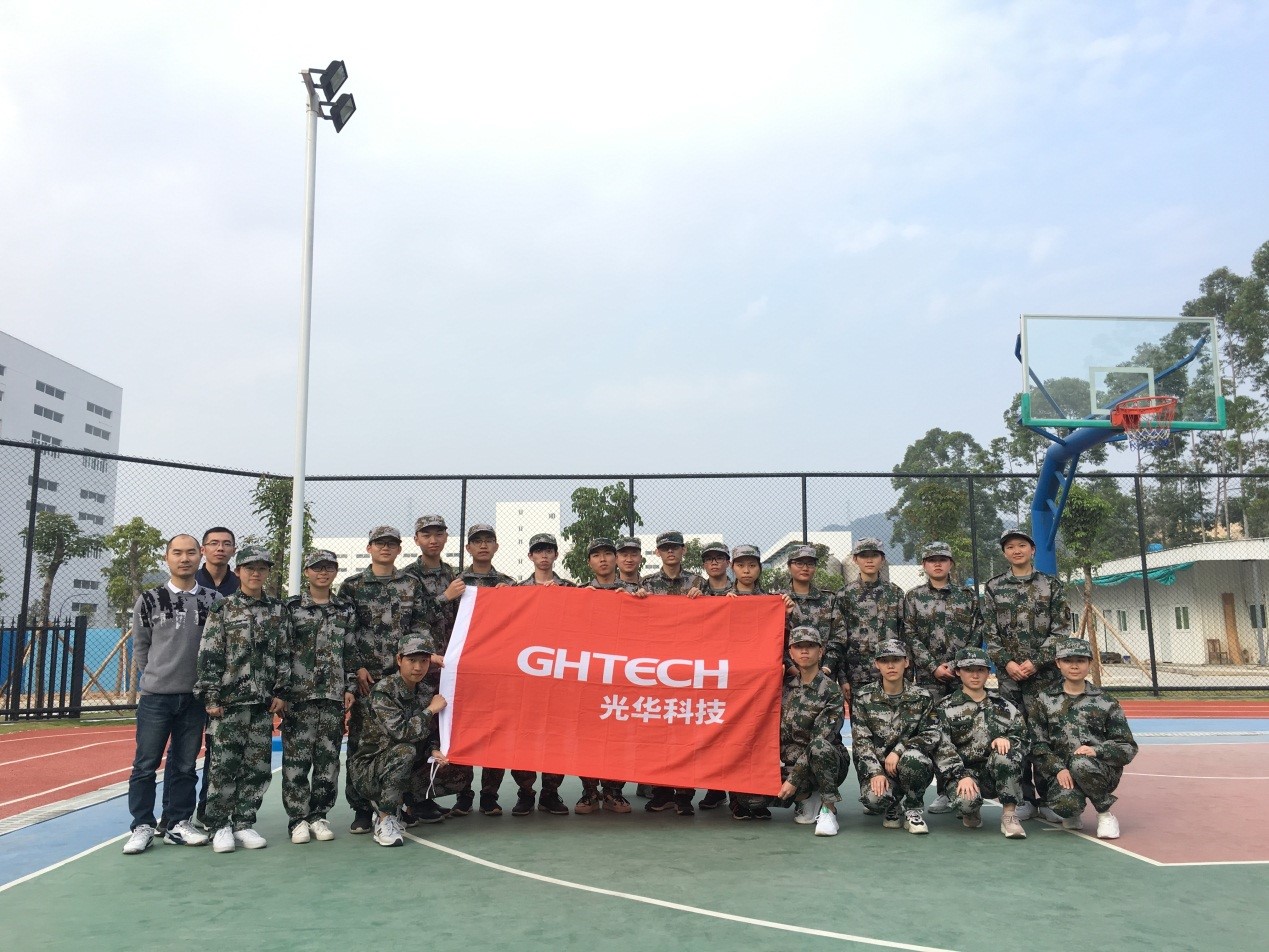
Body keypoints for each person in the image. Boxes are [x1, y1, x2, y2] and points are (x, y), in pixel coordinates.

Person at [121, 534, 220, 854]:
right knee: (145, 765)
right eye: (177, 553)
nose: (184, 558)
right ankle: (142, 825)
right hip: (156, 697)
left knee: (185, 765)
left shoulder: (213, 600)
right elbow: (141, 646)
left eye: (190, 552)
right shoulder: (149, 599)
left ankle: (178, 822)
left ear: (200, 555)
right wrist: (155, 676)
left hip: (194, 698)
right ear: (167, 557)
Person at [195, 544, 292, 853]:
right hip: (229, 702)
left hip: (262, 703)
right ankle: (219, 825)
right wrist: (211, 695)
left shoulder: (278, 610)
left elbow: (284, 653)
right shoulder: (223, 608)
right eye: (250, 568)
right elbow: (210, 654)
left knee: (257, 767)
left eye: (262, 568)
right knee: (223, 766)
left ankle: (244, 822)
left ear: (267, 573)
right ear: (238, 572)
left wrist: (281, 692)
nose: (255, 573)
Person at [338, 525, 433, 834]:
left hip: (403, 678)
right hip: (368, 679)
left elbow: (421, 626)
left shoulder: (411, 584)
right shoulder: (352, 586)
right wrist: (357, 667)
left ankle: (398, 803)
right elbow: (346, 632)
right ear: (369, 548)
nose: (385, 548)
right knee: (361, 741)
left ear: (399, 549)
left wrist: (415, 662)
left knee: (406, 741)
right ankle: (361, 808)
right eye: (379, 543)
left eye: (391, 544)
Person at [983, 528, 1071, 821]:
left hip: (1044, 676)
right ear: (1004, 553)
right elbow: (990, 632)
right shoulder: (994, 587)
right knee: (1014, 733)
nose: (1016, 550)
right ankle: (1023, 798)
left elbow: (1060, 630)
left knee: (1045, 735)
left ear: (1032, 550)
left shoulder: (1051, 585)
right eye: (1010, 547)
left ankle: (1048, 798)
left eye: (1022, 545)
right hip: (1010, 678)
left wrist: (1036, 662)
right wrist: (1007, 663)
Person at [282, 550, 357, 844]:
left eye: (328, 567)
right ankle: (298, 819)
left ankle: (318, 815)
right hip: (299, 697)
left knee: (328, 760)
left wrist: (350, 687)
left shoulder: (345, 610)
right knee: (297, 760)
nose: (322, 573)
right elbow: (282, 651)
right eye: (317, 568)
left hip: (333, 696)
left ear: (336, 571)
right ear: (307, 572)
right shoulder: (291, 608)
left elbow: (350, 651)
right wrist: (282, 691)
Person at [346, 637, 451, 847]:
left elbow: (429, 731)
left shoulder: (424, 690)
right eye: (412, 660)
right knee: (406, 750)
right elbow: (402, 732)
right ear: (399, 660)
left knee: (447, 761)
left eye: (424, 661)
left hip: (396, 762)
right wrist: (430, 710)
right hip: (369, 770)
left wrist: (434, 750)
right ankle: (385, 819)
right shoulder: (384, 691)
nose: (418, 667)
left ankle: (406, 806)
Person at [902, 540, 982, 813]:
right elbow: (909, 634)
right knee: (935, 732)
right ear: (924, 565)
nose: (937, 564)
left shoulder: (967, 596)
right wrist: (933, 666)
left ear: (950, 564)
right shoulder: (913, 597)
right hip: (929, 678)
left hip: (963, 677)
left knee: (965, 729)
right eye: (932, 560)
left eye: (943, 559)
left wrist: (957, 664)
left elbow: (977, 631)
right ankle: (944, 791)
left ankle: (965, 786)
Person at [1031, 638, 1138, 840]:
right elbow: (1038, 744)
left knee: (1081, 763)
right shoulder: (1044, 700)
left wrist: (1097, 750)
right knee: (1065, 805)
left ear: (1089, 663)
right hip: (1062, 774)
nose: (1074, 666)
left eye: (1080, 660)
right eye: (1067, 660)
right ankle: (1073, 810)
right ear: (1058, 663)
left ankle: (1104, 814)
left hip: (1098, 771)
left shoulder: (1105, 701)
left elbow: (1127, 746)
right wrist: (1058, 769)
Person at [575, 537, 645, 815]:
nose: (602, 559)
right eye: (596, 555)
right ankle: (590, 792)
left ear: (616, 559)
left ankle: (614, 792)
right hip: (590, 677)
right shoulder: (579, 593)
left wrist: (643, 603)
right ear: (589, 562)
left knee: (620, 736)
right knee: (588, 736)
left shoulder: (638, 591)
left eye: (607, 554)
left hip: (624, 678)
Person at [451, 523, 516, 817]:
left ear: (496, 546)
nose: (483, 545)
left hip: (498, 670)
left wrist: (510, 598)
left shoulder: (508, 583)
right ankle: (463, 794)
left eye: (489, 540)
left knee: (495, 732)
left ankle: (490, 795)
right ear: (468, 547)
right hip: (464, 670)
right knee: (463, 731)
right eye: (477, 541)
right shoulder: (457, 582)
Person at [640, 531, 705, 816]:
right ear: (657, 552)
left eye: (675, 548)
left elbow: (715, 616)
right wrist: (638, 599)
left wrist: (703, 599)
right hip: (656, 670)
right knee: (658, 733)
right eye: (665, 548)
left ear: (683, 550)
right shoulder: (647, 583)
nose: (670, 552)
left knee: (687, 734)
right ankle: (661, 792)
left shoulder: (698, 582)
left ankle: (684, 795)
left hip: (689, 670)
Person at [510, 533, 575, 817]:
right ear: (530, 556)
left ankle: (550, 792)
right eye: (538, 551)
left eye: (549, 550)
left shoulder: (570, 589)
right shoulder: (516, 591)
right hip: (526, 676)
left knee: (556, 735)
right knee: (523, 735)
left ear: (556, 555)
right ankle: (525, 792)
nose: (544, 555)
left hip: (559, 676)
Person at [934, 647, 1027, 839]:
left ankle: (1009, 815)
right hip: (962, 776)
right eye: (969, 670)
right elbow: (942, 748)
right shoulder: (945, 707)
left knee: (1006, 755)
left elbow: (1022, 739)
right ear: (958, 672)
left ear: (988, 672)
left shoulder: (1004, 705)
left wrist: (1008, 740)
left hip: (994, 773)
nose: (975, 675)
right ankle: (971, 810)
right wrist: (961, 775)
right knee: (967, 804)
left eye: (980, 670)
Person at [851, 640, 939, 835]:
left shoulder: (922, 696)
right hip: (880, 768)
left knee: (915, 758)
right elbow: (861, 740)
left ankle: (913, 808)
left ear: (906, 662)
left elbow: (931, 734)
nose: (890, 665)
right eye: (885, 660)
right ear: (877, 664)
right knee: (875, 800)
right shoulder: (864, 697)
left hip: (909, 765)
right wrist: (875, 772)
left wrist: (900, 750)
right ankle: (891, 805)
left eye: (896, 660)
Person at [776, 626, 849, 837]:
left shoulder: (831, 691)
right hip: (792, 762)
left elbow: (821, 739)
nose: (804, 651)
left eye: (810, 646)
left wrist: (793, 780)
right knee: (750, 800)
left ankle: (828, 808)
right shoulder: (785, 688)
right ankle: (806, 797)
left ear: (821, 651)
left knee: (819, 746)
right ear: (791, 653)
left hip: (826, 762)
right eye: (798, 647)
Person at [189, 526, 239, 829]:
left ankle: (210, 812)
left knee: (218, 751)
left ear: (234, 550)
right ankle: (175, 815)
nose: (220, 548)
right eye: (213, 543)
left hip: (228, 683)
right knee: (184, 753)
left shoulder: (241, 584)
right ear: (203, 549)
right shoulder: (190, 582)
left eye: (226, 544)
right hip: (189, 679)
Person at [839, 538, 905, 699]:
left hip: (891, 674)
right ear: (855, 559)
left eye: (874, 555)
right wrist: (842, 678)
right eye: (864, 555)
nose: (869, 560)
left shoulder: (895, 593)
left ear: (882, 559)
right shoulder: (844, 595)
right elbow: (839, 638)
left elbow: (904, 634)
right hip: (857, 675)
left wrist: (907, 674)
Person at [776, 545, 848, 692]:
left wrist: (826, 668)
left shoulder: (828, 599)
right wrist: (791, 668)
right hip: (789, 680)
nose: (805, 568)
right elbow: (774, 640)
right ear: (789, 566)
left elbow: (838, 638)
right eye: (799, 563)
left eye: (810, 563)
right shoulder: (778, 600)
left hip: (824, 678)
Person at [696, 541, 734, 811]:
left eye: (719, 558)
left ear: (727, 562)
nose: (714, 562)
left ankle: (738, 789)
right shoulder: (695, 592)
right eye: (709, 559)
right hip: (704, 673)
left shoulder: (745, 593)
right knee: (706, 731)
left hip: (735, 674)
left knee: (731, 731)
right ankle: (715, 787)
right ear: (704, 564)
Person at [402, 515, 464, 660]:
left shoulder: (450, 573)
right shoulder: (407, 576)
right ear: (416, 539)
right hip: (422, 657)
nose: (433, 541)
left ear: (446, 537)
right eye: (426, 536)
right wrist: (445, 597)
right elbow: (410, 618)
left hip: (452, 654)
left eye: (439, 535)